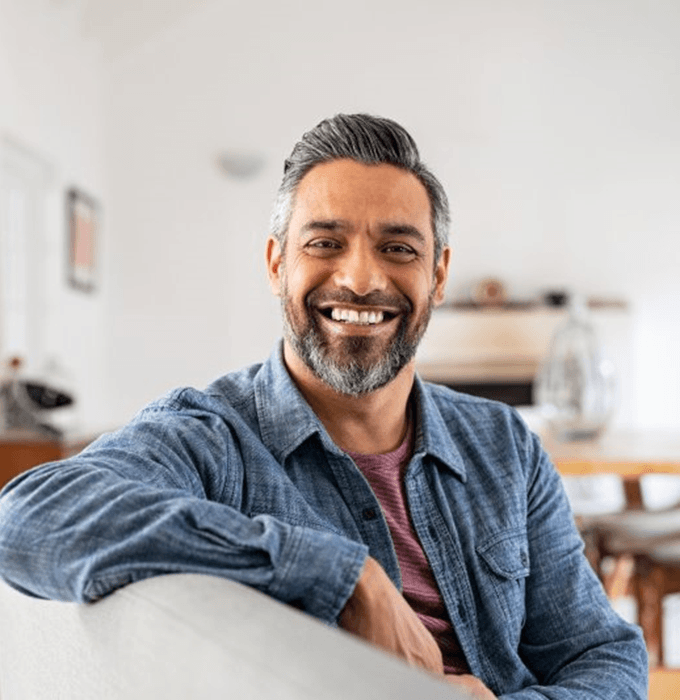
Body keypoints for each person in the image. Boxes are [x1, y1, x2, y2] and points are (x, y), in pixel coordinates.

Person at [0, 114, 646, 698]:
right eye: (324, 243)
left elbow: (600, 654)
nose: (361, 279)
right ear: (276, 262)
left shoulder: (502, 441)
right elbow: (29, 519)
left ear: (439, 275)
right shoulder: (209, 438)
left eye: (398, 248)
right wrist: (341, 575)